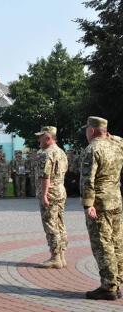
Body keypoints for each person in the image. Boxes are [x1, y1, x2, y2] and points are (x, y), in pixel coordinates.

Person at [80, 116, 123, 300]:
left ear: (92, 130)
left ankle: (108, 287)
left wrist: (88, 204)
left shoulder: (92, 149)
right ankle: (117, 282)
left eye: (87, 129)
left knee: (102, 244)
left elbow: (87, 180)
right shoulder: (116, 144)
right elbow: (119, 139)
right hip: (116, 199)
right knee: (117, 243)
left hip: (100, 203)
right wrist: (111, 137)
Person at [35, 126, 68, 269]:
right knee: (60, 223)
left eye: (41, 137)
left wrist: (44, 194)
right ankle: (61, 256)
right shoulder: (61, 152)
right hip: (60, 191)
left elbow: (45, 176)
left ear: (48, 138)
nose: (38, 139)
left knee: (50, 225)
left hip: (50, 193)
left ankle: (55, 257)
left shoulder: (46, 153)